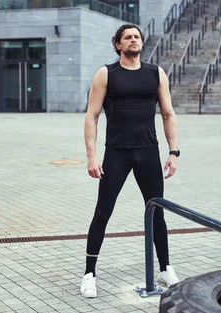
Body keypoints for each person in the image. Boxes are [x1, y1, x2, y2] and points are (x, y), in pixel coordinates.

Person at [81, 23, 181, 298]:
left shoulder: (155, 73)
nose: (133, 40)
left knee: (157, 212)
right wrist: (91, 156)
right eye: (128, 37)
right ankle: (89, 273)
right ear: (118, 44)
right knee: (103, 212)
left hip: (148, 151)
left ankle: (165, 267)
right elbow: (92, 115)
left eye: (137, 36)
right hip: (117, 153)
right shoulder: (106, 74)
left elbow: (168, 114)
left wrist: (173, 152)